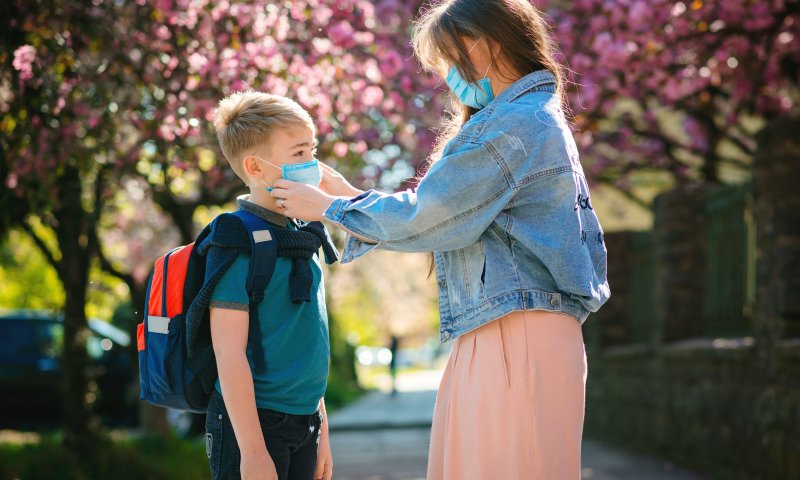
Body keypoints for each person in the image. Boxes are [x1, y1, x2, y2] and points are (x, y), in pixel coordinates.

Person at [270, 0, 611, 478]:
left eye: (450, 61)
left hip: (517, 330)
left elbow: (430, 216)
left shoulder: (513, 125)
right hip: (510, 326)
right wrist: (347, 196)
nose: (449, 77)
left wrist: (328, 208)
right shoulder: (526, 117)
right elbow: (446, 212)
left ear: (486, 44)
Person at [205, 91, 337, 480]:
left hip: (305, 422)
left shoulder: (304, 234)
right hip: (254, 427)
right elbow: (228, 354)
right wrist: (252, 452)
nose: (312, 164)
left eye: (312, 150)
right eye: (298, 154)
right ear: (256, 167)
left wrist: (321, 429)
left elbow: (309, 342)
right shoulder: (236, 240)